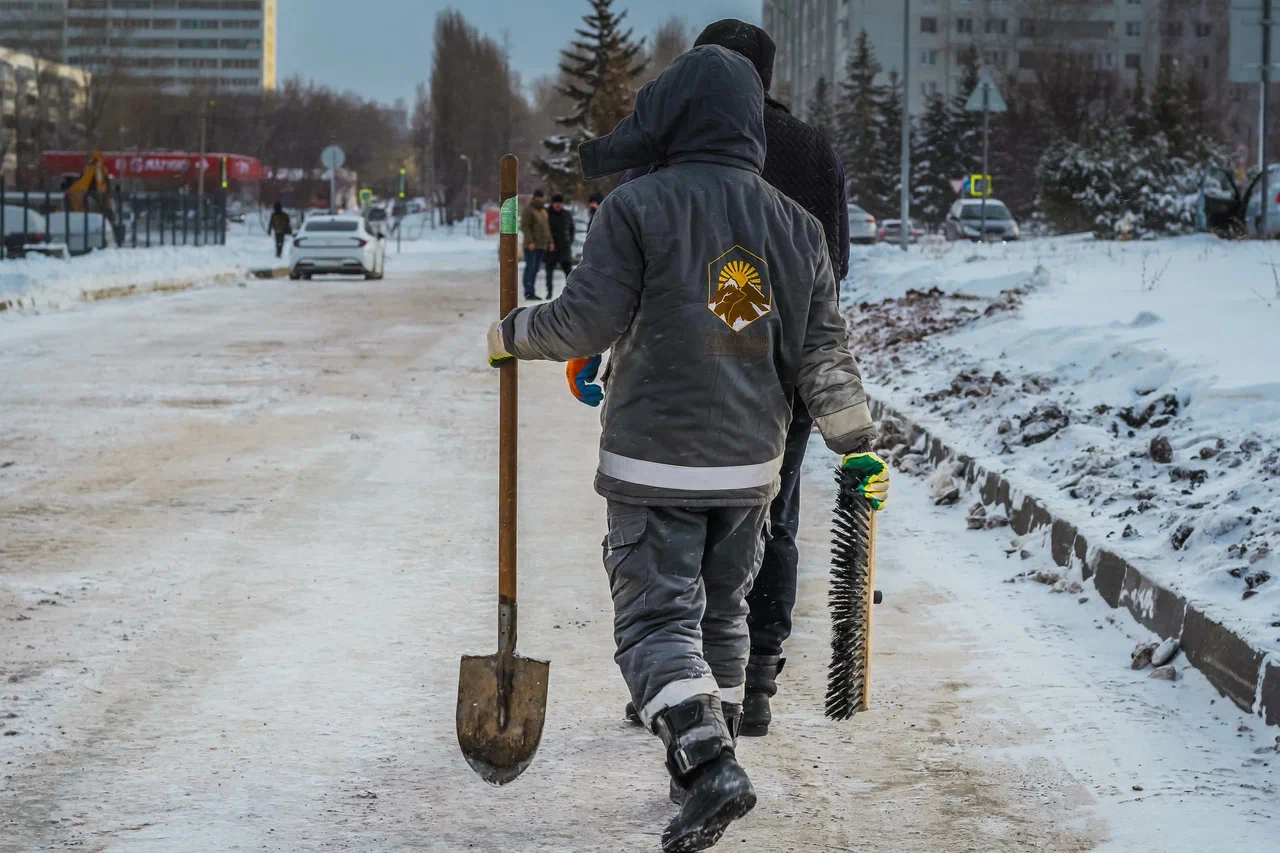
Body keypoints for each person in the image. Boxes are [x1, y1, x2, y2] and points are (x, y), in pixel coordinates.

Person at [487, 45, 887, 852]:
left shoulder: (637, 209)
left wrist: (510, 335)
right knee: (724, 612)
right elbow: (825, 354)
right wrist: (856, 443)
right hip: (752, 468)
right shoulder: (795, 224)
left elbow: (584, 322)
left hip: (652, 459)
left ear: (669, 118)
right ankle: (711, 752)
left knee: (654, 621)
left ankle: (706, 765)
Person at [582, 19, 852, 738]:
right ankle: (750, 689)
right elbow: (835, 268)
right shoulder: (812, 151)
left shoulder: (667, 154)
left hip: (672, 386)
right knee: (767, 528)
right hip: (776, 384)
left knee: (668, 556)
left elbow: (625, 281)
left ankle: (681, 694)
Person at [520, 189, 552, 300]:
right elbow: (524, 226)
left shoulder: (543, 211)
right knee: (531, 268)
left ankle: (531, 290)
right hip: (532, 246)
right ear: (534, 198)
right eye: (538, 197)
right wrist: (529, 241)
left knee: (535, 269)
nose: (540, 200)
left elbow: (547, 229)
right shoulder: (529, 210)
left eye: (541, 197)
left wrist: (550, 242)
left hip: (541, 246)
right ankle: (528, 292)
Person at [544, 194, 575, 299]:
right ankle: (549, 292)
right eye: (556, 203)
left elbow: (572, 229)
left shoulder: (566, 214)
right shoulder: (547, 214)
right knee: (549, 272)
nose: (558, 205)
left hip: (564, 248)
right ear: (553, 204)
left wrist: (569, 241)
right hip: (551, 249)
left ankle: (571, 293)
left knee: (568, 272)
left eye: (560, 203)